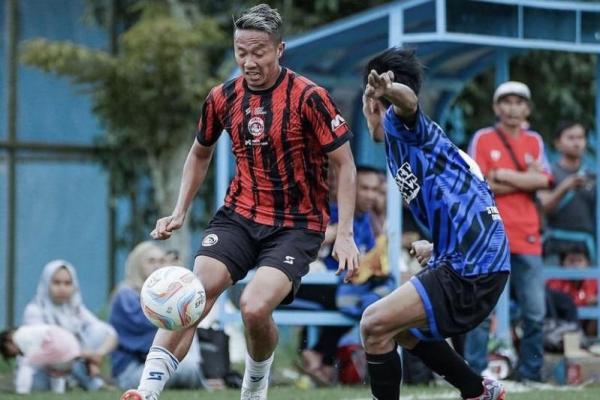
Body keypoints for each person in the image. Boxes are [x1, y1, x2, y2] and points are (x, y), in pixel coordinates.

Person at [120, 4, 359, 400]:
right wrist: (179, 211)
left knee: (253, 307)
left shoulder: (309, 98)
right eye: (241, 52)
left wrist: (345, 233)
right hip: (240, 214)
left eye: (258, 52)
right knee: (193, 294)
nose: (249, 61)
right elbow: (200, 152)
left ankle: (254, 387)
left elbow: (344, 165)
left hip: (296, 226)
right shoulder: (222, 97)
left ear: (279, 49)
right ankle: (146, 392)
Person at [359, 47, 510, 400]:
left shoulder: (402, 124)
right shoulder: (424, 147)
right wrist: (439, 245)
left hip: (472, 266)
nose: (368, 107)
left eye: (370, 95)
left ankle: (476, 389)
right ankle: (476, 389)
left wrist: (387, 90)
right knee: (397, 328)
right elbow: (469, 200)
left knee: (373, 323)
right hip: (471, 260)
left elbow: (408, 102)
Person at [467, 81, 552, 382]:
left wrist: (502, 175)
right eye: (507, 101)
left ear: (527, 109)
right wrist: (523, 179)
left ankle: (531, 374)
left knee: (535, 313)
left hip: (528, 236)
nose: (513, 107)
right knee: (481, 310)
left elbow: (544, 181)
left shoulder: (535, 141)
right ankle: (473, 373)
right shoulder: (483, 138)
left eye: (519, 102)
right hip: (490, 235)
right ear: (496, 107)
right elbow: (479, 182)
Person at [109, 241, 206, 390]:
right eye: (151, 261)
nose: (157, 265)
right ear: (137, 264)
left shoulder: (160, 297)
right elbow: (156, 324)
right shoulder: (125, 294)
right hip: (130, 371)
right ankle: (205, 384)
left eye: (161, 261)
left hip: (152, 364)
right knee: (188, 370)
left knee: (189, 367)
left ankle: (207, 381)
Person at [18, 260, 117, 394]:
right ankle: (88, 381)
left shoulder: (74, 308)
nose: (62, 288)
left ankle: (77, 380)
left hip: (72, 364)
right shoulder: (35, 311)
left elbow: (109, 333)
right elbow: (49, 349)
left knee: (97, 331)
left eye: (67, 283)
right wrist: (85, 355)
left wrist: (96, 356)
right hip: (42, 371)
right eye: (56, 282)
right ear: (46, 283)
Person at [538, 121, 596, 261]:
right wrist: (564, 187)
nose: (577, 143)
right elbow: (542, 208)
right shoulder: (548, 174)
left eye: (580, 138)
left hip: (584, 248)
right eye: (571, 138)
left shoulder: (593, 177)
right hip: (555, 246)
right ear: (558, 143)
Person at [0, 324, 81, 394]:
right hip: (72, 347)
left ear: (8, 340)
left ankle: (22, 392)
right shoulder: (29, 331)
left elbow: (28, 363)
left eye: (5, 349)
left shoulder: (19, 336)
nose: (11, 354)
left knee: (26, 364)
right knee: (54, 370)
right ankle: (58, 393)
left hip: (56, 344)